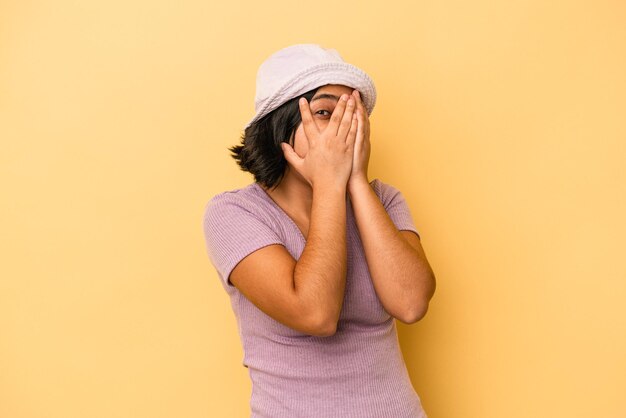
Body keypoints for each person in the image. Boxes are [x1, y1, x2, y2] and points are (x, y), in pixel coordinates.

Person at [202, 44, 436, 418]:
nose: (345, 129)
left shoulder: (384, 200)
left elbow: (410, 304)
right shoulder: (234, 213)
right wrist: (329, 185)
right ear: (280, 124)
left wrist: (356, 181)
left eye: (353, 115)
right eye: (326, 112)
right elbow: (315, 314)